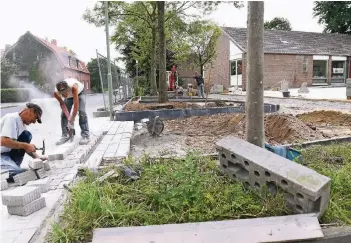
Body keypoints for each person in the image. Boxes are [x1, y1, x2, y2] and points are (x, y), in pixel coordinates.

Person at [1, 103, 47, 179]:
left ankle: (14, 168)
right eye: (35, 118)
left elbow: (24, 147)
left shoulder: (22, 126)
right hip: (1, 155)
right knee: (19, 174)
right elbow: (3, 141)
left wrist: (37, 157)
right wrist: (25, 145)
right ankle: (12, 170)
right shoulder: (12, 118)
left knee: (26, 135)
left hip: (8, 154)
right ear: (31, 111)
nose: (34, 122)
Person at [54, 78, 90, 145]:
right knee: (63, 115)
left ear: (68, 89)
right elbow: (62, 104)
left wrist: (72, 119)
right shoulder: (56, 92)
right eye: (63, 94)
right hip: (69, 98)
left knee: (82, 112)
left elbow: (76, 107)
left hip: (79, 93)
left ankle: (85, 135)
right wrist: (68, 117)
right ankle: (65, 135)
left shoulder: (74, 87)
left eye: (66, 92)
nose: (65, 94)